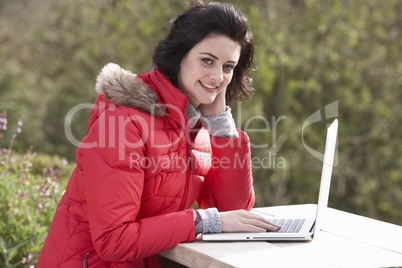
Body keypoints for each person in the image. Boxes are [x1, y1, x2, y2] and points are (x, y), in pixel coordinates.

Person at [37, 1, 279, 267]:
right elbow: (113, 240)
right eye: (207, 61)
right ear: (180, 55)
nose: (218, 77)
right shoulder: (124, 122)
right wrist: (205, 221)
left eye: (228, 67)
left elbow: (235, 212)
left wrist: (222, 125)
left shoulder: (196, 127)